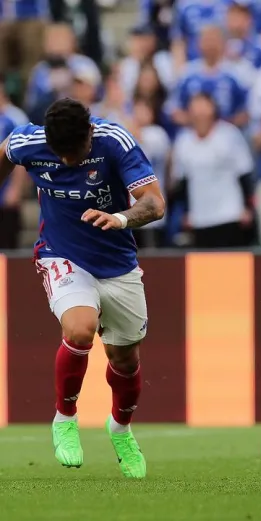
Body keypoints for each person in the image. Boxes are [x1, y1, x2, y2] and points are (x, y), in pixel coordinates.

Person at [0, 98, 166, 479]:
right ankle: (65, 418)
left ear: (90, 133)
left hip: (117, 262)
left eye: (76, 152)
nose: (71, 161)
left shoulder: (114, 140)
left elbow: (155, 204)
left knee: (125, 360)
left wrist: (121, 217)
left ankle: (120, 429)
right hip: (61, 254)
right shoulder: (29, 143)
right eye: (63, 154)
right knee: (79, 328)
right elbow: (6, 153)